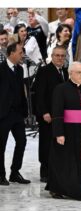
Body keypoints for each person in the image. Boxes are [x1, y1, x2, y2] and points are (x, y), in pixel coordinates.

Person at [45, 62, 81, 201]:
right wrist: (59, 133)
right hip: (66, 130)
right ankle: (57, 189)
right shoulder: (61, 89)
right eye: (79, 73)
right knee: (64, 162)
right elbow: (57, 112)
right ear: (71, 73)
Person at [34, 46, 68, 183]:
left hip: (62, 115)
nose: (60, 58)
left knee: (59, 143)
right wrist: (43, 112)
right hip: (48, 115)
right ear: (52, 56)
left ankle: (58, 170)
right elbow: (39, 94)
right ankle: (45, 171)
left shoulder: (66, 72)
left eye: (62, 56)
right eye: (57, 55)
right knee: (46, 143)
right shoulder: (44, 71)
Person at [0, 42, 30, 186]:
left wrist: (25, 111)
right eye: (20, 52)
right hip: (3, 114)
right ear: (11, 53)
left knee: (22, 141)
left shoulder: (20, 70)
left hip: (17, 114)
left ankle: (15, 172)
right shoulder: (1, 69)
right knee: (1, 145)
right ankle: (0, 175)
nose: (22, 55)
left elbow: (21, 91)